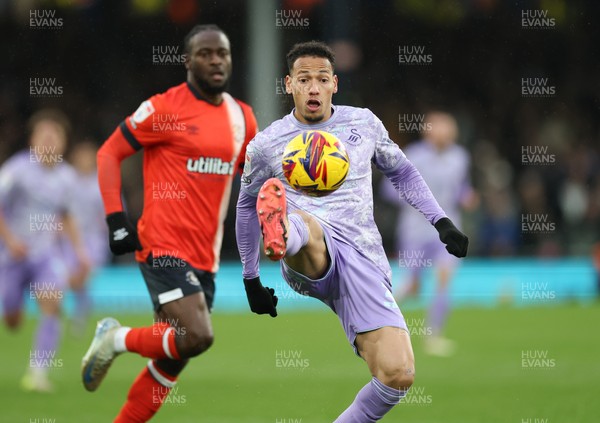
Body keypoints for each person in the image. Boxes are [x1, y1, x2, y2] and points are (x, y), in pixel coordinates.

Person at [236, 41, 468, 422]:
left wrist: (440, 221)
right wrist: (250, 278)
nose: (313, 88)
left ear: (334, 84)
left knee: (397, 375)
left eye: (322, 79)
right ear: (288, 84)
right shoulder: (266, 144)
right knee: (308, 227)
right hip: (309, 251)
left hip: (363, 259)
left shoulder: (363, 123)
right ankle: (281, 232)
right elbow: (246, 205)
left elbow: (402, 171)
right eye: (304, 79)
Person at [81, 24, 257, 422]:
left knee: (173, 356)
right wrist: (116, 218)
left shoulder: (242, 118)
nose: (215, 60)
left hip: (205, 256)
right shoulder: (164, 108)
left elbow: (254, 182)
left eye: (222, 53)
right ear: (187, 61)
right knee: (198, 336)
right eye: (205, 53)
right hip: (162, 245)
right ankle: (116, 338)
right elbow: (109, 153)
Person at [0, 109, 90, 392]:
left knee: (52, 304)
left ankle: (37, 372)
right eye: (44, 135)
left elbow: (67, 216)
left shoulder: (67, 177)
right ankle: (12, 310)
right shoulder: (15, 171)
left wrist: (80, 252)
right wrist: (11, 240)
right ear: (33, 141)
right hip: (11, 256)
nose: (50, 141)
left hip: (45, 256)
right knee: (12, 320)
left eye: (56, 136)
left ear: (64, 142)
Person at [380, 111, 478, 356]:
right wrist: (414, 200)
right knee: (412, 286)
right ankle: (377, 320)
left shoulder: (460, 157)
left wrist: (466, 197)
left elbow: (460, 188)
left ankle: (434, 336)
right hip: (415, 230)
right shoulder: (414, 155)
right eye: (440, 128)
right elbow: (388, 189)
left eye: (448, 128)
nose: (445, 134)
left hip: (448, 230)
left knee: (444, 279)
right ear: (428, 131)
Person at [60, 140, 109, 335]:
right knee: (71, 279)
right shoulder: (67, 180)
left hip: (93, 240)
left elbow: (111, 212)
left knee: (82, 277)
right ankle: (76, 312)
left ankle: (78, 315)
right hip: (69, 239)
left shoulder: (102, 182)